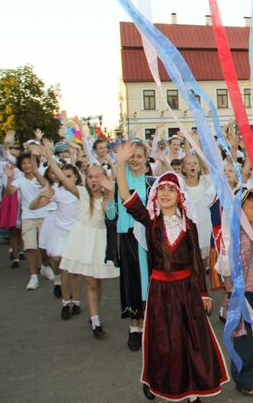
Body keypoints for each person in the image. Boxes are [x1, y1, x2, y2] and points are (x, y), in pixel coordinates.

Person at [116, 142, 228, 401]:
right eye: (162, 189)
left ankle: (193, 391)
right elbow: (125, 195)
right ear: (155, 195)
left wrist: (203, 293)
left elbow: (196, 264)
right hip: (160, 292)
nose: (166, 193)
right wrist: (120, 163)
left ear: (180, 195)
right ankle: (158, 380)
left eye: (171, 189)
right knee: (164, 341)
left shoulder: (189, 226)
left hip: (187, 291)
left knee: (191, 339)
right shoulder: (150, 221)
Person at [215, 187, 253, 397]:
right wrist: (228, 258)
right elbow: (222, 268)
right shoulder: (229, 236)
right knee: (243, 339)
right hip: (240, 296)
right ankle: (244, 379)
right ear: (239, 212)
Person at [54, 153, 120, 338]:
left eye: (97, 176)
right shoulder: (82, 193)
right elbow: (61, 177)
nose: (93, 180)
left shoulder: (109, 197)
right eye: (90, 176)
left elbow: (111, 216)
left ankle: (94, 313)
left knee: (97, 281)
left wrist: (111, 192)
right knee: (90, 281)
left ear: (104, 179)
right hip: (83, 239)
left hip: (100, 240)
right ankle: (95, 321)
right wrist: (49, 157)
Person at [112, 141, 154, 351]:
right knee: (131, 281)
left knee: (149, 280)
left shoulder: (151, 183)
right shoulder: (122, 179)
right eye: (132, 156)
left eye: (139, 156)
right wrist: (120, 161)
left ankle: (149, 326)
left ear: (146, 159)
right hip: (128, 236)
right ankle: (134, 327)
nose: (135, 160)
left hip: (148, 238)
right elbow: (113, 211)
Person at [5, 151, 56, 290]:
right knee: (30, 247)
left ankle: (45, 266)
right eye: (24, 163)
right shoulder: (19, 179)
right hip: (28, 217)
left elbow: (46, 185)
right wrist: (9, 178)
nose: (27, 166)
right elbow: (10, 192)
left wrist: (36, 170)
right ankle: (33, 277)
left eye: (29, 163)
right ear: (20, 166)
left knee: (44, 247)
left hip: (45, 215)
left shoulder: (40, 176)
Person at [32, 163, 81, 302]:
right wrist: (40, 195)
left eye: (69, 176)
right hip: (59, 228)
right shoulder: (56, 191)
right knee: (57, 259)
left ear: (76, 177)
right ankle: (58, 280)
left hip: (76, 232)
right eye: (63, 177)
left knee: (72, 268)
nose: (65, 179)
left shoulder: (81, 191)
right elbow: (33, 206)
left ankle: (72, 301)